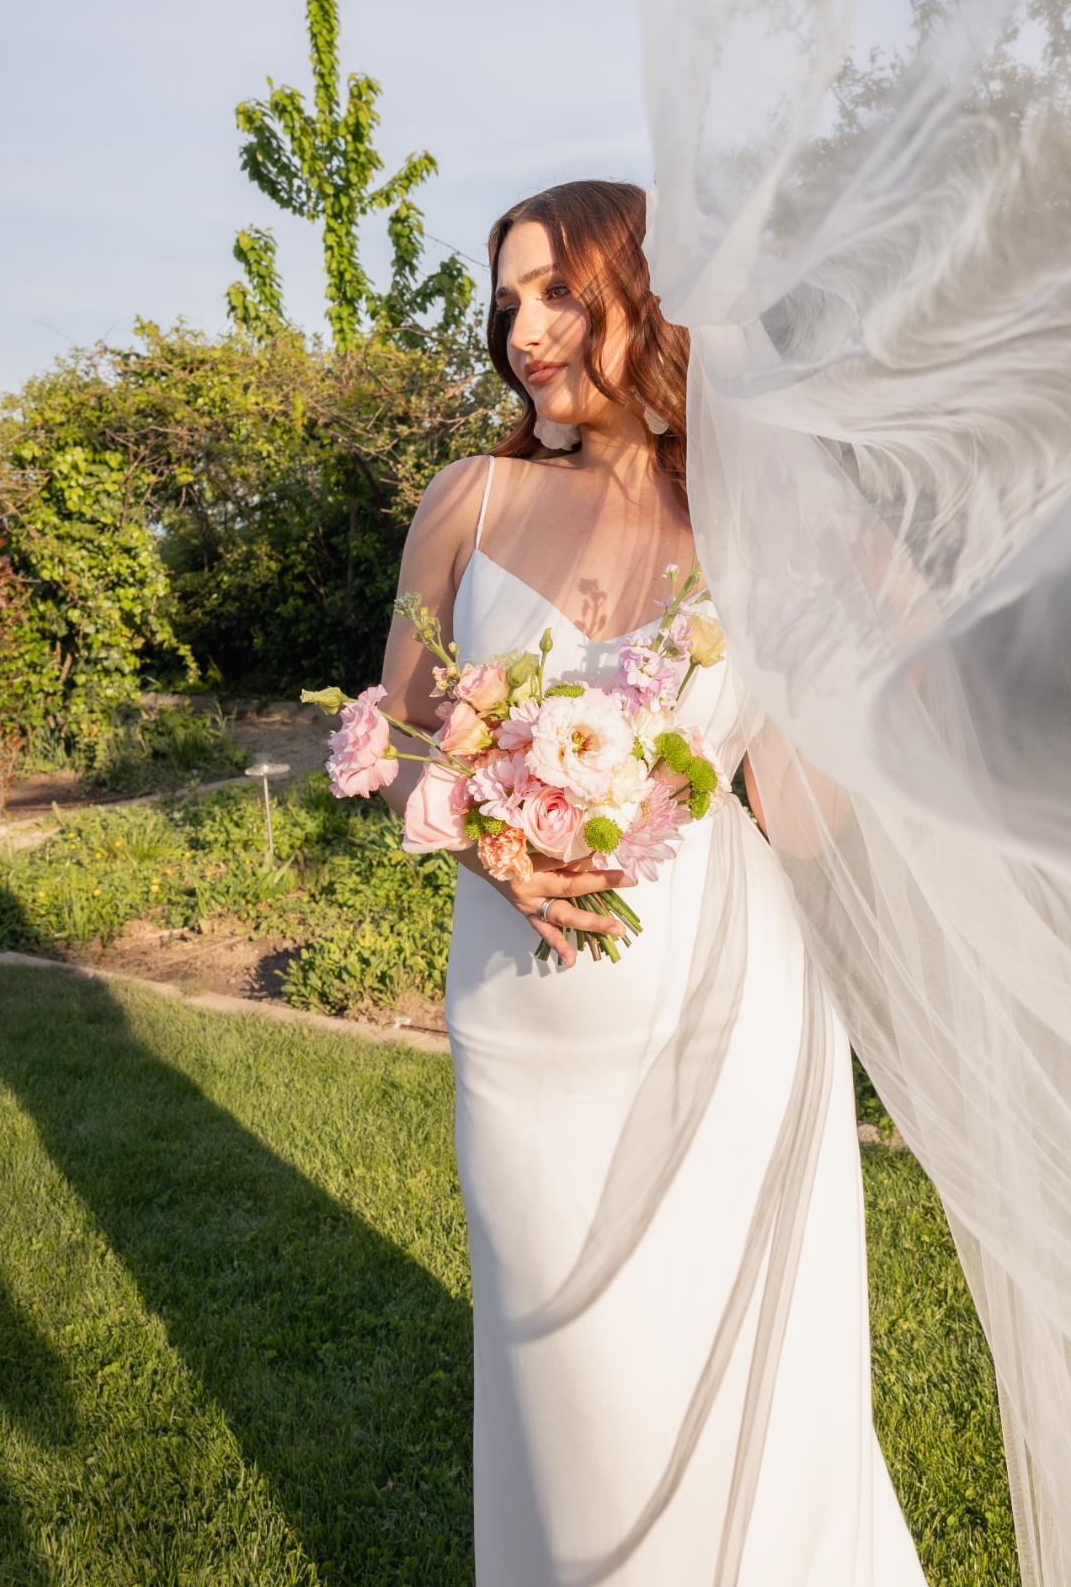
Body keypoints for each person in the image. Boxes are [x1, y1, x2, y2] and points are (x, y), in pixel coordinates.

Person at [376, 177, 929, 1585]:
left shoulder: (750, 527)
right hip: (524, 1019)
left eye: (558, 290)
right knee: (566, 1380)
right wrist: (484, 839)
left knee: (750, 1382)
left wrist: (858, 645)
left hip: (729, 1015)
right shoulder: (472, 498)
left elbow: (794, 822)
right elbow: (395, 733)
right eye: (507, 300)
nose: (523, 329)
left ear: (644, 295)